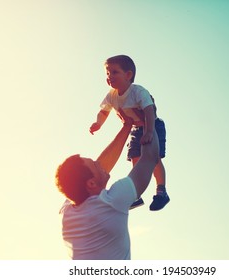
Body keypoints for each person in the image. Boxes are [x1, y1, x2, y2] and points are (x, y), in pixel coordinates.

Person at [55, 111, 159, 259]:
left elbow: (101, 167)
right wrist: (149, 119)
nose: (100, 165)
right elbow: (150, 158)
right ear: (91, 183)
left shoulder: (68, 212)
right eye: (95, 165)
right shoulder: (110, 202)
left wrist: (127, 127)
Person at [89, 55, 169, 211]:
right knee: (135, 157)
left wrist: (150, 131)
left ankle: (161, 191)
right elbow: (104, 112)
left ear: (128, 75)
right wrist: (98, 123)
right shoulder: (111, 95)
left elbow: (149, 110)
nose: (109, 77)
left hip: (152, 125)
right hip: (136, 129)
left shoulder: (138, 91)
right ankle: (135, 194)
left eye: (114, 72)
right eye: (107, 73)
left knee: (153, 158)